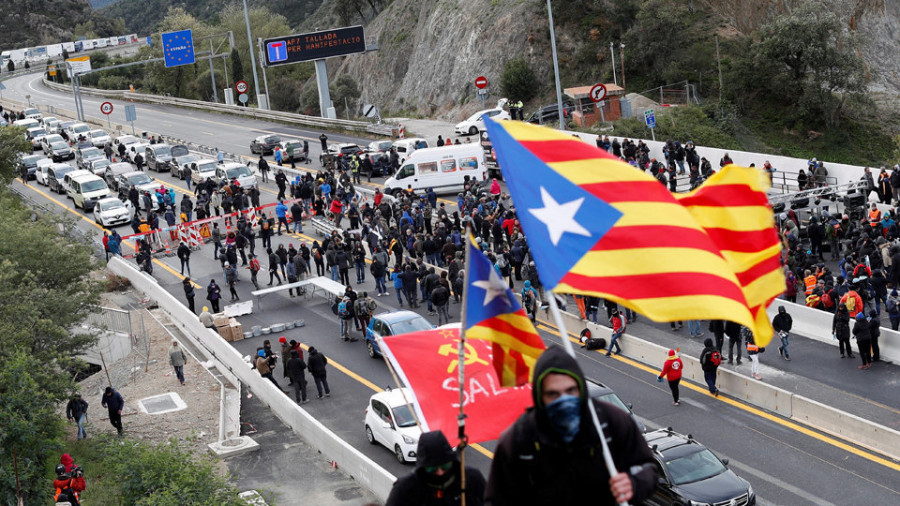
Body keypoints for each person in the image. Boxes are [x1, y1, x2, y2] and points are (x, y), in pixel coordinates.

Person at [486, 346, 656, 505]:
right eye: (553, 394)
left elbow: (648, 468)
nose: (564, 401)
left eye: (570, 391)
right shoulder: (518, 440)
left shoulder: (612, 422)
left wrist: (634, 483)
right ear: (540, 396)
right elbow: (496, 499)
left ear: (580, 389)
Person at [386, 430, 486, 506]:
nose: (440, 473)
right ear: (422, 468)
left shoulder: (471, 479)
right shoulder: (405, 489)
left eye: (445, 466)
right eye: (432, 469)